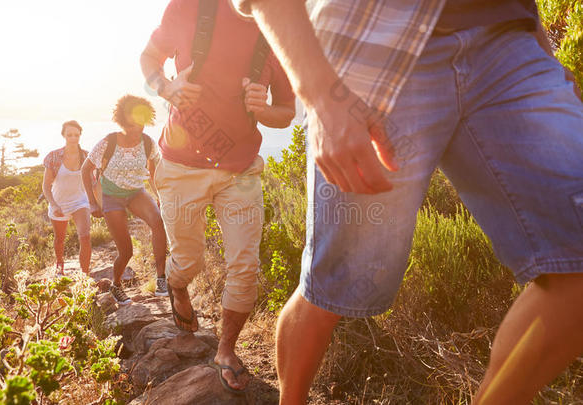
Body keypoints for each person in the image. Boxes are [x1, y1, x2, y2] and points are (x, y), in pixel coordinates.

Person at [231, 0, 583, 404]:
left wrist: (542, 51)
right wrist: (321, 97)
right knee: (330, 283)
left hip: (508, 44)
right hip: (373, 49)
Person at [140, 0, 296, 394]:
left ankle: (225, 350)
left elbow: (287, 111)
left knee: (244, 265)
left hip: (240, 171)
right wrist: (166, 87)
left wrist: (264, 110)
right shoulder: (188, 7)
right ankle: (177, 286)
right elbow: (148, 57)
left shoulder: (278, 25)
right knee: (187, 260)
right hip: (179, 166)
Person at [81, 95, 168, 305]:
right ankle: (116, 285)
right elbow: (86, 170)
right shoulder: (108, 142)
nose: (138, 128)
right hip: (112, 197)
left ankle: (161, 278)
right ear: (124, 120)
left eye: (141, 122)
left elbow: (155, 170)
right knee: (126, 250)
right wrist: (93, 202)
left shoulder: (148, 143)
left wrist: (159, 196)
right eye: (133, 123)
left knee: (158, 223)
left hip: (137, 193)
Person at [42, 120, 93, 276]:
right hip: (59, 203)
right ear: (64, 135)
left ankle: (84, 276)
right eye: (69, 135)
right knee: (60, 239)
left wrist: (97, 203)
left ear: (80, 136)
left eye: (76, 135)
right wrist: (54, 204)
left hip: (80, 202)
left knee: (85, 236)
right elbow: (45, 186)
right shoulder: (54, 157)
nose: (73, 138)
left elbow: (94, 182)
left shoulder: (87, 156)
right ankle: (60, 265)